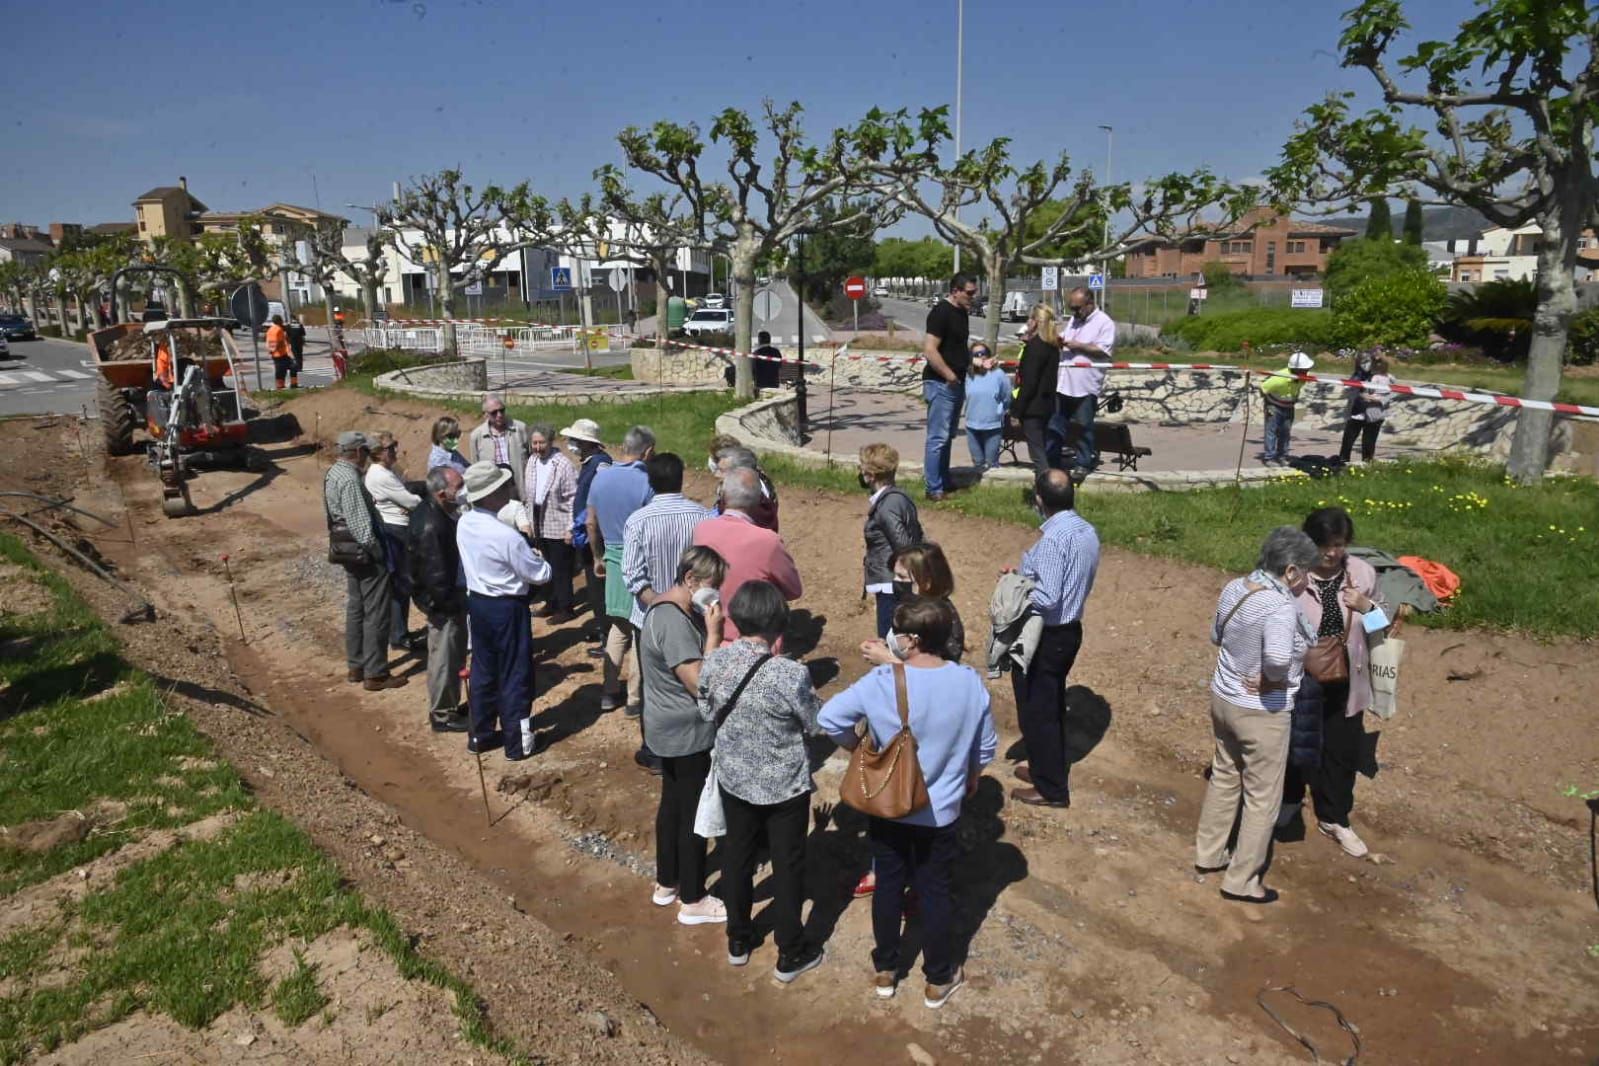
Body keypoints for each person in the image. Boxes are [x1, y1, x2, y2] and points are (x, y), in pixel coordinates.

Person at [818, 597, 997, 1007]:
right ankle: (938, 978)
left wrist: (861, 750)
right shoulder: (969, 682)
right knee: (935, 889)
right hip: (941, 811)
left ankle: (886, 969)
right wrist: (971, 776)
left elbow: (829, 719)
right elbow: (985, 748)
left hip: (889, 804)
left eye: (896, 632)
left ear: (912, 640)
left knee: (890, 884)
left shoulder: (882, 681)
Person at [697, 580, 826, 979]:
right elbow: (814, 723)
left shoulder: (716, 662)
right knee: (788, 865)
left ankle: (739, 938)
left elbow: (705, 710)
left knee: (737, 856)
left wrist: (712, 638)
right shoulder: (790, 674)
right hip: (784, 785)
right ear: (777, 623)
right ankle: (790, 951)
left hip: (735, 779)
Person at [1195, 526, 1319, 904]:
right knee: (1263, 796)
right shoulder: (1281, 607)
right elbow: (1279, 659)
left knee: (1225, 775)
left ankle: (1209, 853)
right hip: (1261, 712)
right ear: (1292, 571)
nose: (1307, 581)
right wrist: (1271, 680)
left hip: (1224, 699)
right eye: (1306, 572)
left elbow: (1217, 635)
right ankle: (1242, 880)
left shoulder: (1236, 587)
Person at [1281, 507, 1388, 858]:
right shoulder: (1289, 572)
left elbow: (1381, 627)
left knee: (1342, 750)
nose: (1330, 553)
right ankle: (1289, 800)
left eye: (1338, 545)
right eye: (1322, 544)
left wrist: (1367, 606)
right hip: (1300, 676)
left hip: (1348, 674)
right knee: (1296, 743)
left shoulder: (1363, 573)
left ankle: (1335, 817)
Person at [639, 545, 728, 926]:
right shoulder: (675, 622)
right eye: (713, 586)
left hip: (663, 724)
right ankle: (693, 897)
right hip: (686, 730)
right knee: (694, 812)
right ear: (690, 580)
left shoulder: (662, 609)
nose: (718, 594)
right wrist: (714, 634)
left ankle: (667, 881)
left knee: (673, 803)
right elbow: (699, 684)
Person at [1010, 469, 1100, 808]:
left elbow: (1046, 598)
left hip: (1044, 635)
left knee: (1038, 712)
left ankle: (1050, 789)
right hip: (1069, 630)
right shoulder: (1086, 531)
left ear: (1039, 499)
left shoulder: (1051, 540)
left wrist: (1015, 585)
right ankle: (1044, 768)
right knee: (1049, 706)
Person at [456, 461, 551, 761]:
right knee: (515, 673)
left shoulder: (464, 523)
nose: (508, 491)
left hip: (479, 603)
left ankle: (479, 734)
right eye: (502, 487)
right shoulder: (505, 535)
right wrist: (540, 558)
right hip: (507, 607)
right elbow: (540, 574)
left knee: (483, 668)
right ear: (491, 494)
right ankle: (517, 743)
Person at [624, 454, 712, 769]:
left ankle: (655, 751)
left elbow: (633, 574)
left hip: (649, 617)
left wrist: (661, 602)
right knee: (695, 674)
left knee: (655, 683)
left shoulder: (639, 519)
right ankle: (695, 747)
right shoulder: (702, 516)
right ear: (681, 478)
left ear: (650, 481)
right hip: (697, 614)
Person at [323, 431, 406, 692]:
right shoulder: (350, 479)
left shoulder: (333, 473)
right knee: (377, 612)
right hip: (364, 553)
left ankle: (356, 665)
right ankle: (376, 672)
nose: (368, 457)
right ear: (358, 452)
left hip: (345, 550)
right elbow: (361, 526)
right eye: (366, 452)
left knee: (356, 608)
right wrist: (378, 553)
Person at [588, 426, 656, 717]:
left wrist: (597, 557)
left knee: (618, 627)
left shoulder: (600, 478)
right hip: (639, 558)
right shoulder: (646, 481)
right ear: (648, 451)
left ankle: (608, 690)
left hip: (612, 557)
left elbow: (590, 523)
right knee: (640, 629)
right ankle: (634, 699)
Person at [692, 467, 802, 641]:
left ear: (724, 496)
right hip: (757, 642)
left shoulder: (701, 530)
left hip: (709, 637)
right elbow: (794, 590)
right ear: (759, 500)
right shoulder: (768, 541)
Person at [409, 466, 470, 733]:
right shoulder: (432, 526)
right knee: (445, 657)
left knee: (452, 655)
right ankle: (444, 714)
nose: (463, 490)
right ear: (442, 494)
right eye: (459, 486)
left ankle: (450, 704)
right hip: (444, 605)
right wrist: (449, 606)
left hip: (444, 600)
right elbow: (435, 575)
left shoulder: (437, 513)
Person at [920, 274, 977, 501]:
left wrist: (972, 365)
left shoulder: (962, 313)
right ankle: (933, 488)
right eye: (969, 292)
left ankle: (943, 480)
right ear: (955, 291)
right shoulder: (941, 312)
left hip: (957, 382)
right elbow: (930, 349)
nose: (973, 297)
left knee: (947, 436)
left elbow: (959, 347)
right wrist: (949, 375)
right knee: (937, 437)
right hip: (940, 382)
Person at [364, 430, 422, 653]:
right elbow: (409, 500)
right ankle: (398, 635)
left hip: (395, 525)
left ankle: (399, 631)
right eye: (390, 448)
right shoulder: (381, 475)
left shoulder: (385, 471)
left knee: (401, 584)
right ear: (378, 453)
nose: (394, 451)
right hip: (395, 529)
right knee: (400, 583)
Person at [859, 443, 923, 639]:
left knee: (891, 641)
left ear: (870, 476)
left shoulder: (887, 505)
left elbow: (904, 546)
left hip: (891, 585)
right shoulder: (898, 498)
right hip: (895, 582)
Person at [1052, 287, 1116, 478]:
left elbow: (1104, 351)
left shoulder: (1104, 323)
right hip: (1064, 382)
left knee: (1083, 426)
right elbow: (1066, 337)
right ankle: (1055, 460)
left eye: (1078, 308)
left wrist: (1078, 346)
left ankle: (1083, 463)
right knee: (1057, 424)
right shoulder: (1074, 320)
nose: (1075, 312)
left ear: (1089, 304)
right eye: (1072, 307)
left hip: (1086, 385)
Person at [523, 422, 579, 624]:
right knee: (544, 563)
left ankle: (566, 607)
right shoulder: (532, 461)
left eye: (541, 443)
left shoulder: (563, 464)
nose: (537, 447)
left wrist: (571, 527)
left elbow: (574, 498)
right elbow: (529, 494)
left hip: (559, 521)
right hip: (538, 519)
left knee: (561, 567)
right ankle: (551, 601)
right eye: (534, 443)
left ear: (551, 441)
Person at [564, 417, 612, 647]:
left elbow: (600, 501)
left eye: (576, 440)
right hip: (585, 533)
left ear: (587, 443)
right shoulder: (589, 463)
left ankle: (608, 635)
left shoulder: (600, 464)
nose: (571, 444)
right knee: (593, 588)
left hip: (596, 537)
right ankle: (602, 626)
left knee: (599, 587)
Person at [1013, 304, 1063, 475]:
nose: (1027, 322)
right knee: (1041, 449)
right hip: (1047, 404)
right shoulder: (1052, 346)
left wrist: (1017, 411)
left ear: (1035, 322)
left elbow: (1029, 383)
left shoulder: (1035, 347)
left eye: (1029, 318)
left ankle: (1047, 489)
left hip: (1033, 407)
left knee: (1038, 455)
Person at [468, 395, 531, 499]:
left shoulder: (520, 428)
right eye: (494, 412)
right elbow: (476, 468)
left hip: (520, 490)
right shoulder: (476, 436)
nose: (499, 415)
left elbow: (532, 459)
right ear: (485, 415)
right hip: (494, 494)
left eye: (502, 410)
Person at [963, 341, 1011, 475]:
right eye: (976, 354)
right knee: (977, 463)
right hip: (972, 425)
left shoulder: (999, 374)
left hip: (993, 425)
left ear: (988, 355)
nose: (980, 357)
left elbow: (1007, 395)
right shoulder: (968, 375)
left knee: (991, 464)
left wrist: (1001, 410)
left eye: (983, 353)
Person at [1260, 351, 1315, 466]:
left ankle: (1282, 456)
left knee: (1285, 432)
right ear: (1297, 370)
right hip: (1274, 407)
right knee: (1271, 431)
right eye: (1304, 369)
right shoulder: (1280, 378)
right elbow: (1263, 388)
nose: (1307, 371)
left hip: (1289, 406)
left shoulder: (1303, 377)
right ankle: (1269, 457)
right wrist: (1269, 405)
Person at [711, 444, 780, 532]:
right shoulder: (750, 483)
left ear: (741, 473)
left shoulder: (750, 500)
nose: (716, 475)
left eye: (722, 470)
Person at [1338, 355, 1392, 465]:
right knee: (1348, 439)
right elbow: (1349, 390)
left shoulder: (1388, 378)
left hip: (1374, 414)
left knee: (1369, 442)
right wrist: (1360, 395)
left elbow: (1388, 396)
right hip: (1357, 412)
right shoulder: (1358, 375)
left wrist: (1376, 399)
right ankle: (1343, 461)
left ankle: (1367, 463)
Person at [266, 314, 296, 389]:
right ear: (279, 321)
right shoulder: (278, 330)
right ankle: (292, 384)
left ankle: (281, 386)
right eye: (281, 320)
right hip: (280, 354)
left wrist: (271, 351)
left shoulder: (270, 330)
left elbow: (268, 342)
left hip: (276, 354)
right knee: (291, 367)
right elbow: (277, 342)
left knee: (281, 371)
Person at [287, 317, 307, 385]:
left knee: (295, 355)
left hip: (293, 342)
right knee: (300, 355)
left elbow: (288, 334)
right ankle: (300, 368)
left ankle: (297, 367)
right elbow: (303, 334)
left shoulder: (289, 326)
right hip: (299, 342)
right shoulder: (300, 325)